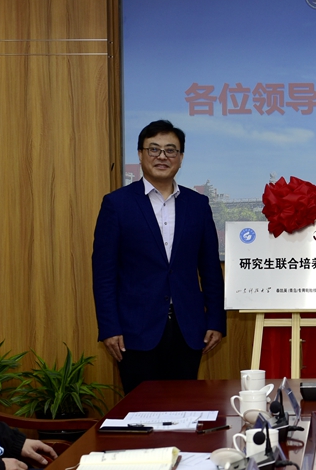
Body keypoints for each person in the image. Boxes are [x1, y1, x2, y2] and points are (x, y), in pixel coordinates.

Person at [92, 120, 226, 394]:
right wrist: (109, 327)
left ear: (181, 157)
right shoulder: (117, 204)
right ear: (140, 154)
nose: (162, 156)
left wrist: (215, 320)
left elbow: (210, 268)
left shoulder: (198, 205)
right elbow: (104, 273)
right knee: (141, 410)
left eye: (170, 150)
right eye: (153, 149)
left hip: (188, 329)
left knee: (185, 406)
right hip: (134, 331)